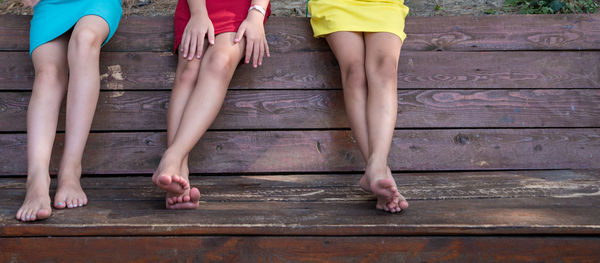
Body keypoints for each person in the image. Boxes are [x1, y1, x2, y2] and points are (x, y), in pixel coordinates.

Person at [152, 0, 271, 209]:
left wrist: (257, 14)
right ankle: (179, 178)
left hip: (243, 7)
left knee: (220, 61)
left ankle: (173, 157)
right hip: (197, 5)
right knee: (189, 70)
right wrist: (198, 14)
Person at [16, 0, 122, 221]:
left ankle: (70, 171)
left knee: (85, 41)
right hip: (52, 3)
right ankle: (36, 178)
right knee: (47, 74)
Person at [308, 0, 410, 213]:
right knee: (354, 73)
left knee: (386, 68)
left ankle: (376, 169)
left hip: (383, 3)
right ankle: (378, 171)